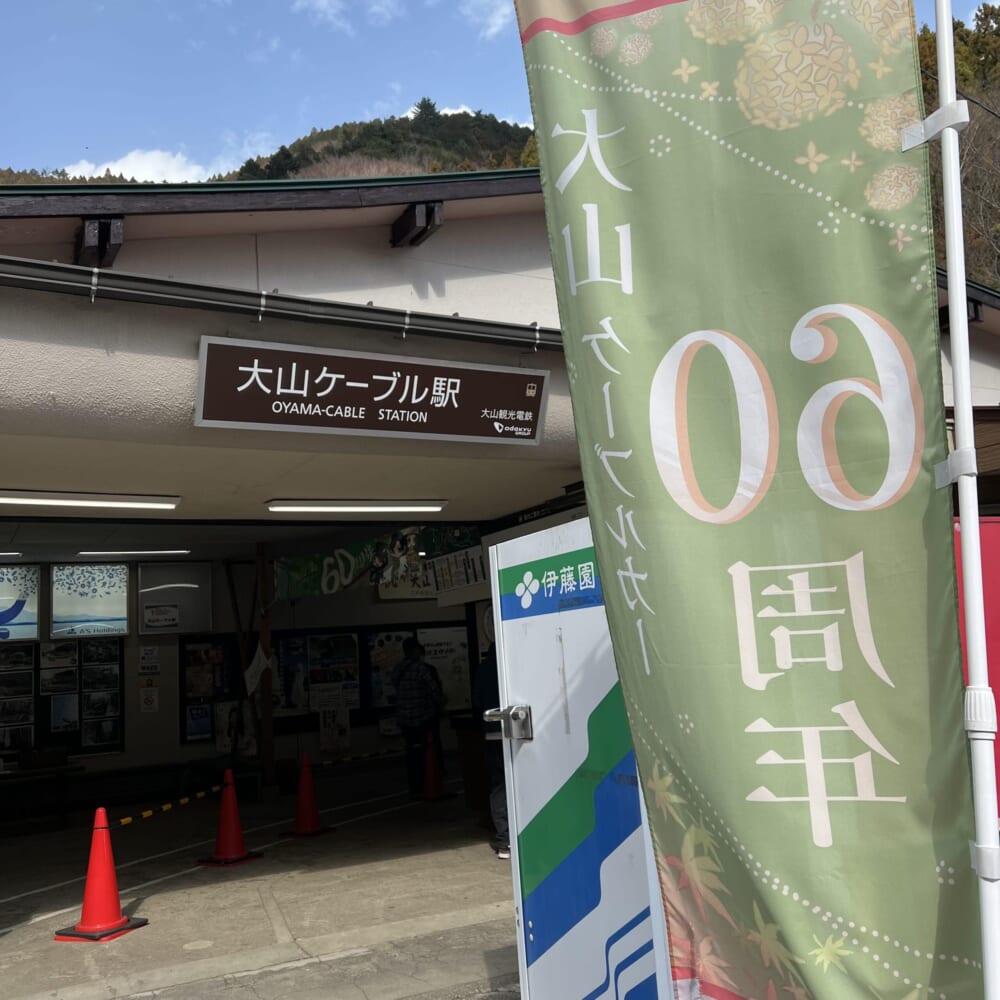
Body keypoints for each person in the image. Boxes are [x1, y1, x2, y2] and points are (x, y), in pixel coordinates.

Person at [392, 637, 445, 798]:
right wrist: (442, 703)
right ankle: (428, 784)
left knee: (411, 752)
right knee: (426, 752)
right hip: (422, 718)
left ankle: (414, 785)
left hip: (404, 720)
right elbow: (434, 691)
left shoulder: (398, 669)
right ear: (416, 651)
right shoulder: (421, 669)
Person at [472, 641, 509, 859]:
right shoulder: (511, 665)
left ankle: (504, 841)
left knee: (498, 786)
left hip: (491, 732)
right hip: (519, 733)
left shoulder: (483, 669)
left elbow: (477, 700)